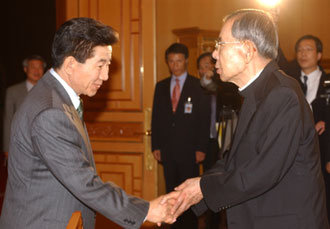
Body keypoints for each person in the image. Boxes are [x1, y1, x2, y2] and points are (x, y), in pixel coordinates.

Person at [0, 17, 175, 229]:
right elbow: (84, 183)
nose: (106, 75)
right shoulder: (49, 112)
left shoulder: (56, 97)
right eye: (100, 65)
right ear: (71, 64)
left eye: (108, 65)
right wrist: (146, 210)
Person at [164, 9, 329, 229]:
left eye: (220, 44)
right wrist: (192, 188)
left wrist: (203, 187)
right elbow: (235, 159)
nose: (213, 54)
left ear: (248, 50)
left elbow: (263, 172)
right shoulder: (256, 92)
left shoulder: (282, 94)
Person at [151, 43, 210, 228]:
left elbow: (204, 119)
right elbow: (156, 118)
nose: (175, 65)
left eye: (178, 61)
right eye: (171, 61)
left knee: (188, 195)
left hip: (190, 150)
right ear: (167, 62)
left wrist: (201, 148)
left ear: (185, 61)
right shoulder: (161, 86)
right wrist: (156, 146)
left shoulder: (197, 85)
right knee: (171, 192)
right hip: (167, 150)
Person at [288, 34, 330, 220]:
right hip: (293, 153)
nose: (302, 54)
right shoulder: (288, 84)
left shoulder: (328, 82)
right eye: (299, 50)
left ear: (319, 55)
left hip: (323, 153)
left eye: (308, 49)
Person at [2, 55, 46, 159]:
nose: (36, 70)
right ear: (25, 69)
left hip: (45, 147)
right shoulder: (13, 91)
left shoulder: (50, 91)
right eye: (33, 67)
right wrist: (7, 148)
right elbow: (8, 120)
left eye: (39, 67)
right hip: (19, 147)